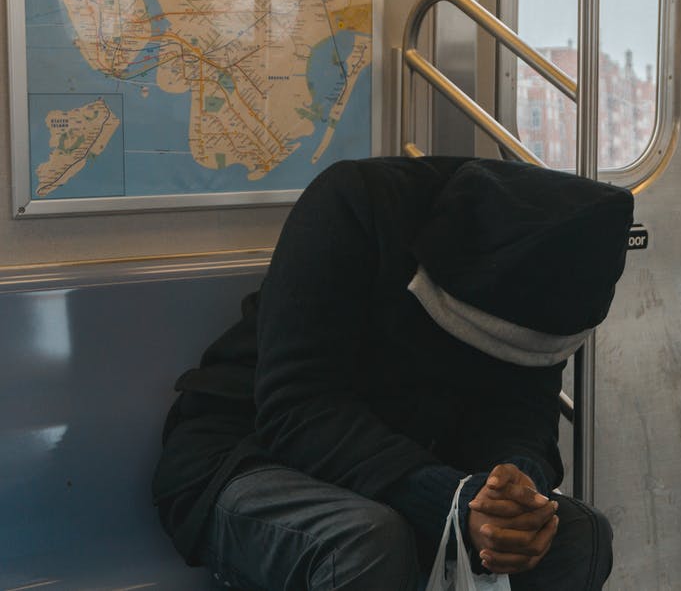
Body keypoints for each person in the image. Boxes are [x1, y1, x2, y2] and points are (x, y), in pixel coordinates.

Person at [152, 156, 633, 590]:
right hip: (245, 455)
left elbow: (521, 413)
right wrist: (452, 501)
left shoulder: (557, 270)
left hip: (413, 468)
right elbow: (295, 407)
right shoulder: (354, 202)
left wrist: (515, 494)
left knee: (577, 536)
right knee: (369, 539)